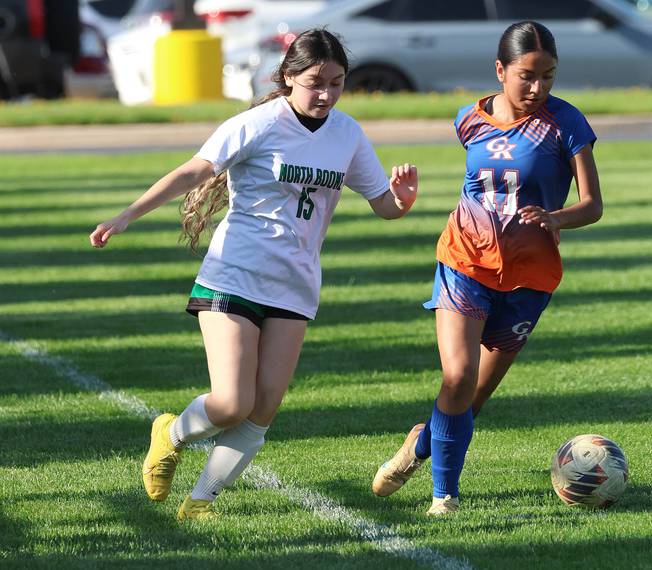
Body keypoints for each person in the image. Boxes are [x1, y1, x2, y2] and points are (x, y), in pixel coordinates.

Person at [89, 29, 418, 521]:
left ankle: (200, 502)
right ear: (288, 78)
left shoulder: (347, 133)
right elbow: (193, 171)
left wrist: (403, 200)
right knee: (231, 401)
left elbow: (384, 206)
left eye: (337, 82)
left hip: (296, 285)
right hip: (234, 275)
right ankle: (171, 433)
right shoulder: (259, 123)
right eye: (314, 82)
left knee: (262, 409)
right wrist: (127, 215)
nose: (326, 93)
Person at [371, 21, 602, 515]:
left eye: (548, 76)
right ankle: (444, 498)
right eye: (526, 75)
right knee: (457, 377)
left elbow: (592, 205)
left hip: (530, 277)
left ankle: (419, 443)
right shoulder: (468, 120)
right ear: (500, 71)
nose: (538, 87)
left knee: (471, 400)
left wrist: (555, 217)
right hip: (465, 260)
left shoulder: (567, 124)